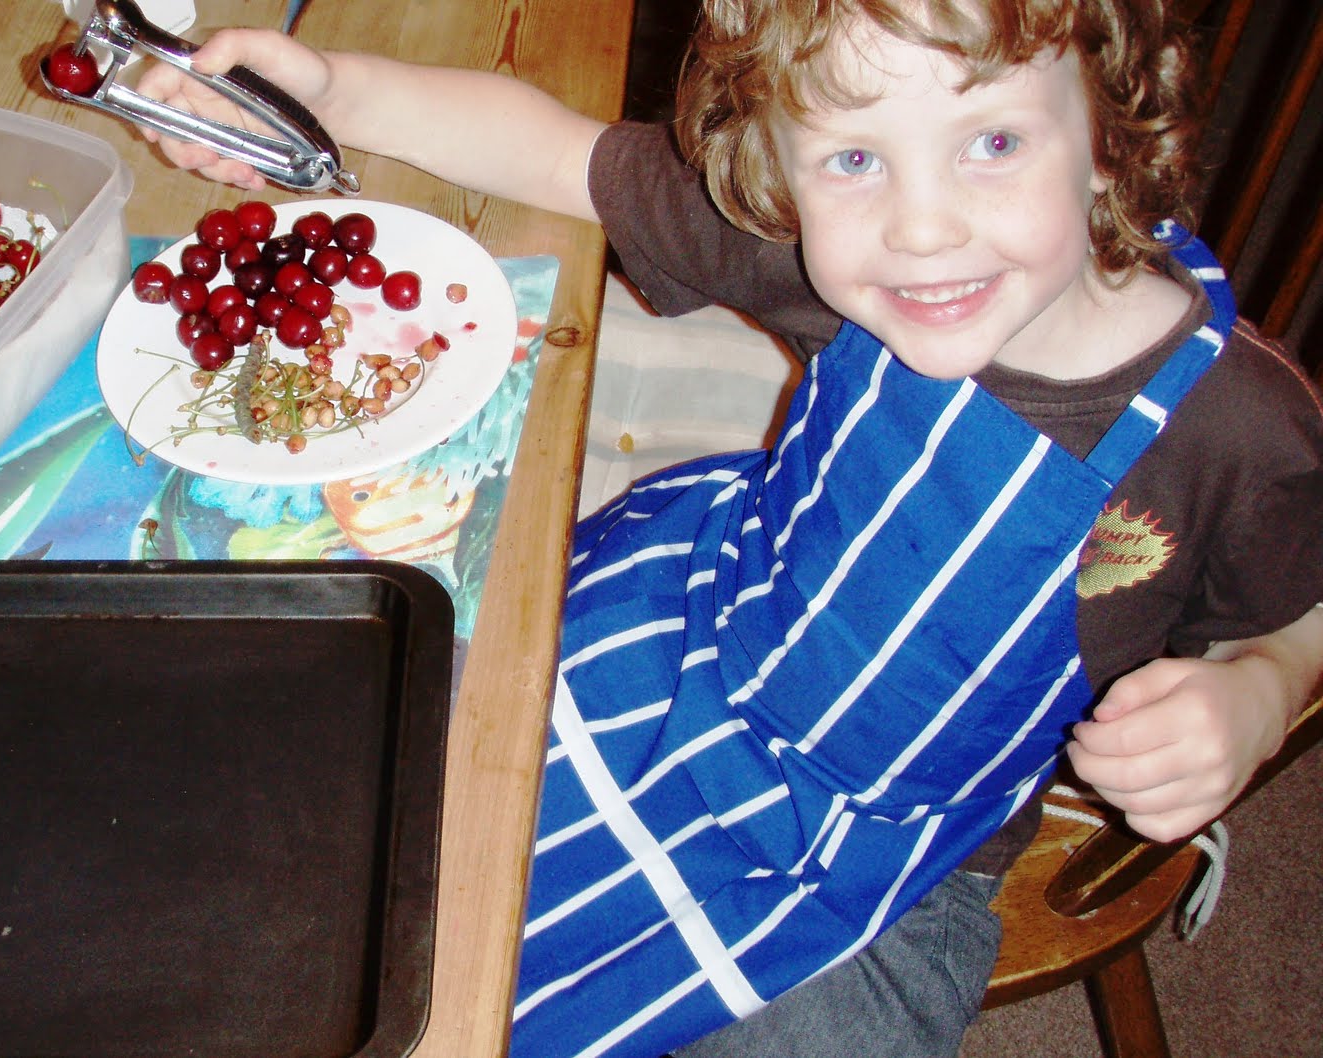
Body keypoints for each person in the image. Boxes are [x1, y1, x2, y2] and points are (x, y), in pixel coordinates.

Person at [135, 2, 1323, 1055]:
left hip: (907, 849)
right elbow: (553, 150)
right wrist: (329, 87)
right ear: (777, 166)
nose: (922, 228)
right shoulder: (817, 248)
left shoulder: (1240, 426)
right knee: (329, 822)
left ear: (1108, 132)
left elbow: (1306, 604)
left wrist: (1262, 687)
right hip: (696, 632)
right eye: (852, 157)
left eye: (994, 142)